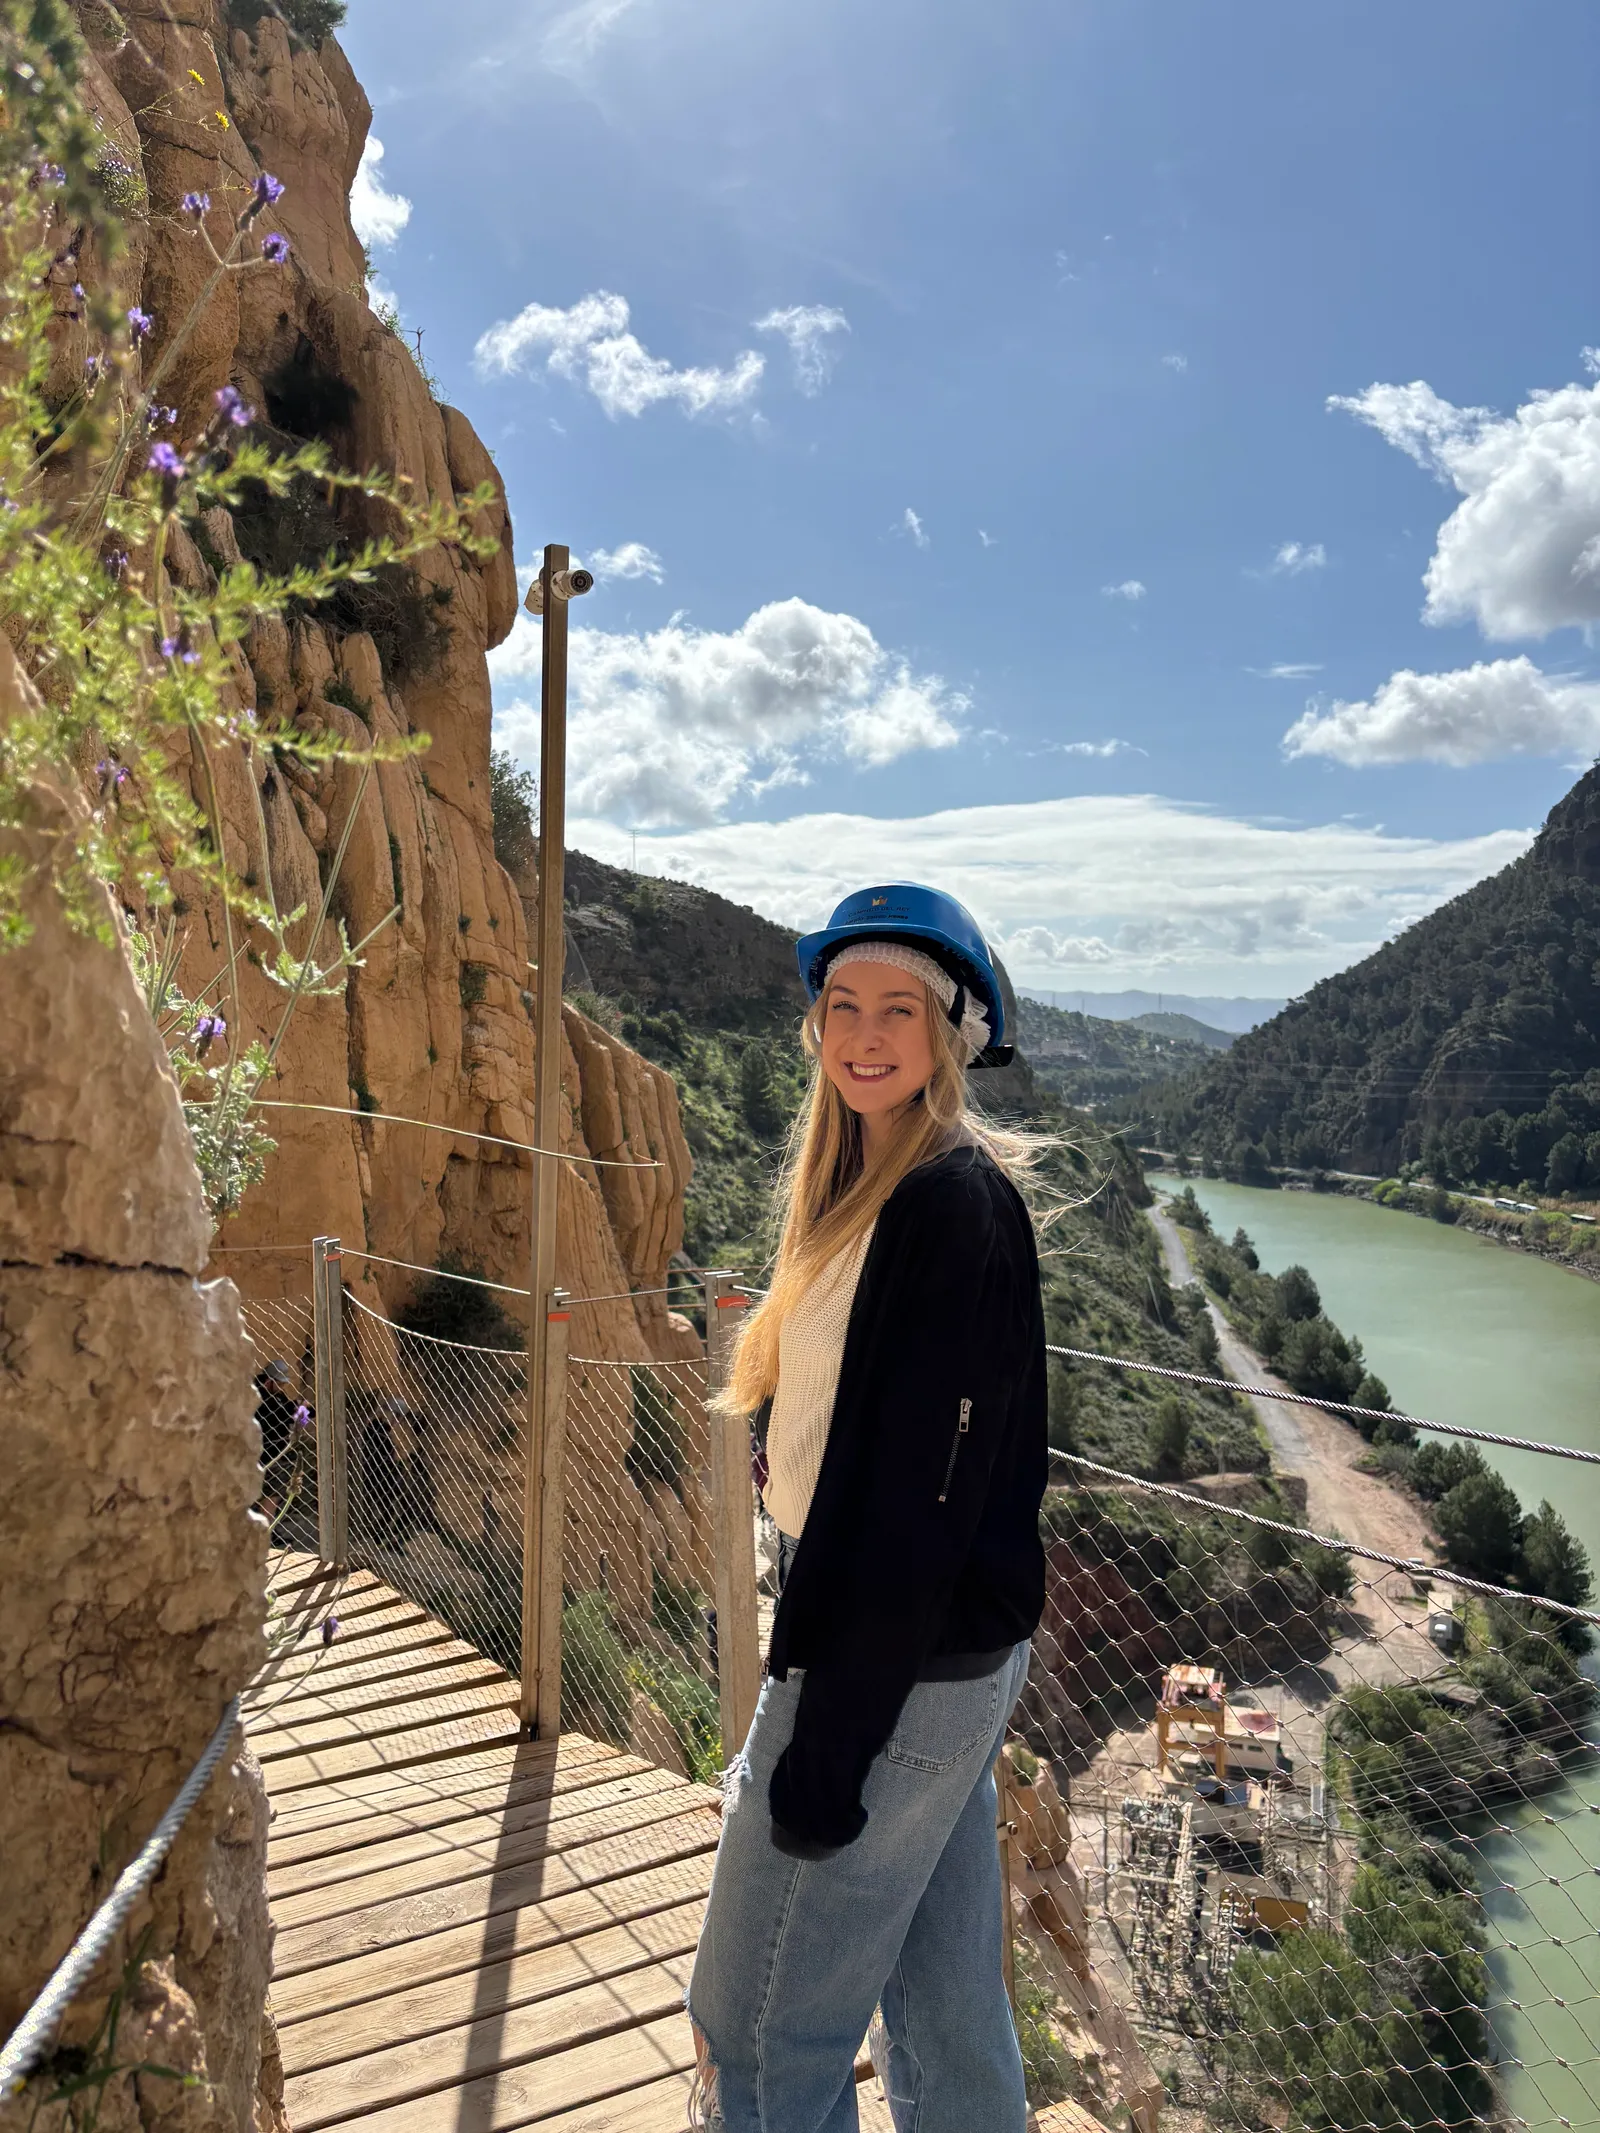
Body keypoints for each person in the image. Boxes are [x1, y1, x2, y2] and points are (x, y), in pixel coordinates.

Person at [687, 883, 1050, 2133]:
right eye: (842, 1005)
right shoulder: (873, 1189)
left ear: (953, 1030)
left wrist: (827, 1750)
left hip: (886, 1661)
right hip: (938, 1662)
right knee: (945, 2015)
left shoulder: (948, 1205)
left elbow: (913, 1511)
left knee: (755, 2034)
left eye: (899, 1007)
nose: (863, 1033)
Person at [253, 1357, 301, 1521]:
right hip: (264, 1454)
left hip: (274, 1455)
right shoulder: (259, 1396)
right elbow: (282, 1414)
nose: (282, 1388)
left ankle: (267, 1528)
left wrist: (303, 1412)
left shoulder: (277, 1397)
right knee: (270, 1496)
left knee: (272, 1495)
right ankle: (265, 1529)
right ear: (269, 1381)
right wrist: (299, 1409)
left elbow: (293, 1415)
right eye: (279, 1384)